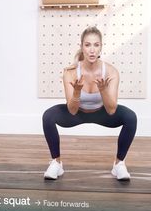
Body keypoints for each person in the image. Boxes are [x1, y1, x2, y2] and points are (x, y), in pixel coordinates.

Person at [41, 26, 137, 181]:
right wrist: (77, 91)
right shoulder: (71, 72)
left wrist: (103, 90)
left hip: (102, 113)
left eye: (96, 45)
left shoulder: (111, 72)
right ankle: (56, 163)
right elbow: (72, 110)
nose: (92, 50)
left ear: (101, 47)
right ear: (82, 47)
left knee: (130, 117)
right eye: (87, 45)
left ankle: (119, 164)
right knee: (48, 116)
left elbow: (111, 110)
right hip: (77, 113)